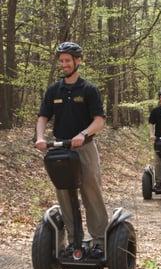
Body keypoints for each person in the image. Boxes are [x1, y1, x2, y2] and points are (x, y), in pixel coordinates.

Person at [35, 41, 108, 257]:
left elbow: (99, 120)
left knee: (90, 191)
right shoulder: (54, 90)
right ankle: (74, 240)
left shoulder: (88, 90)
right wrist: (40, 137)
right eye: (62, 61)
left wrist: (83, 134)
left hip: (84, 148)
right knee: (64, 193)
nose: (64, 64)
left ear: (78, 61)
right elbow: (43, 117)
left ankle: (100, 241)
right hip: (59, 149)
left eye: (68, 60)